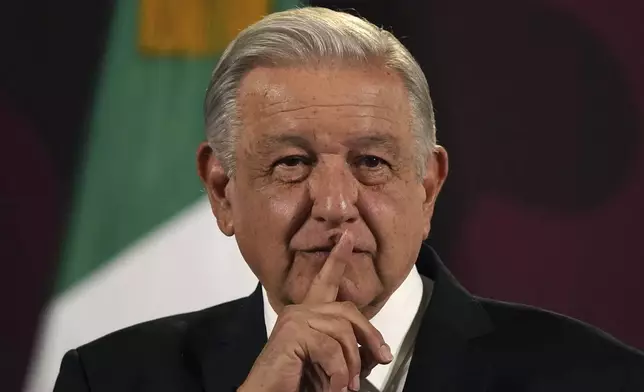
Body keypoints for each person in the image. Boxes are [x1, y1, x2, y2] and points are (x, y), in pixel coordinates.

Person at [53, 7, 644, 392]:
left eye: (372, 163)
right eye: (291, 164)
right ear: (223, 190)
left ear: (428, 186)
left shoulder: (598, 379)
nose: (335, 205)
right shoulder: (107, 379)